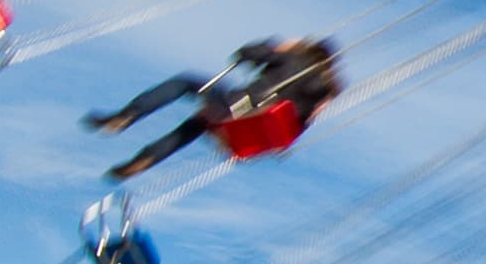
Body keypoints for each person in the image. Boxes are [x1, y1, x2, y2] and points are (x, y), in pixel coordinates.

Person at [86, 36, 342, 179]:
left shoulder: (296, 57)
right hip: (252, 133)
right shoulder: (324, 91)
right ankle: (141, 162)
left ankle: (125, 117)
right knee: (199, 123)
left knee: (186, 83)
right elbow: (301, 125)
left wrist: (279, 46)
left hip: (238, 109)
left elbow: (245, 53)